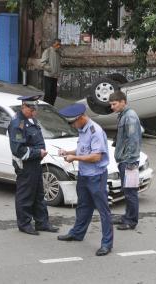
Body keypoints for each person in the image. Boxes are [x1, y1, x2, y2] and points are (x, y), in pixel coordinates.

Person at [56, 103, 113, 256]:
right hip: (84, 175)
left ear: (81, 118)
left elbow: (96, 156)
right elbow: (83, 149)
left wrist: (74, 157)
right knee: (83, 206)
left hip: (96, 176)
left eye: (73, 122)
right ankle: (77, 233)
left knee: (103, 210)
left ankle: (107, 243)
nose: (72, 126)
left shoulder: (96, 131)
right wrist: (68, 152)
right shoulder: (83, 129)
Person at [8, 95, 59, 236]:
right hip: (26, 165)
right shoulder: (18, 124)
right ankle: (24, 224)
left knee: (38, 194)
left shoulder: (31, 119)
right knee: (25, 195)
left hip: (35, 163)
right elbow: (18, 150)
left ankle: (42, 223)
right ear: (24, 106)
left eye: (35, 109)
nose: (34, 112)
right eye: (32, 109)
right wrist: (38, 153)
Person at [109, 90, 142, 230]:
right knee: (127, 191)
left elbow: (133, 140)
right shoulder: (124, 115)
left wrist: (129, 161)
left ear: (123, 102)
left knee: (130, 192)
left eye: (114, 104)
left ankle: (131, 221)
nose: (112, 107)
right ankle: (127, 217)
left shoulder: (130, 117)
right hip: (125, 160)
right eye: (111, 104)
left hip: (129, 162)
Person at [40, 38, 62, 106]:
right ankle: (45, 106)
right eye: (57, 44)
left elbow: (58, 64)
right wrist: (50, 69)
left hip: (55, 76)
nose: (59, 46)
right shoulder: (48, 51)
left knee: (54, 94)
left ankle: (51, 106)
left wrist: (58, 73)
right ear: (53, 44)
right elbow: (42, 63)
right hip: (48, 75)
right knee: (48, 93)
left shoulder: (58, 52)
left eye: (59, 44)